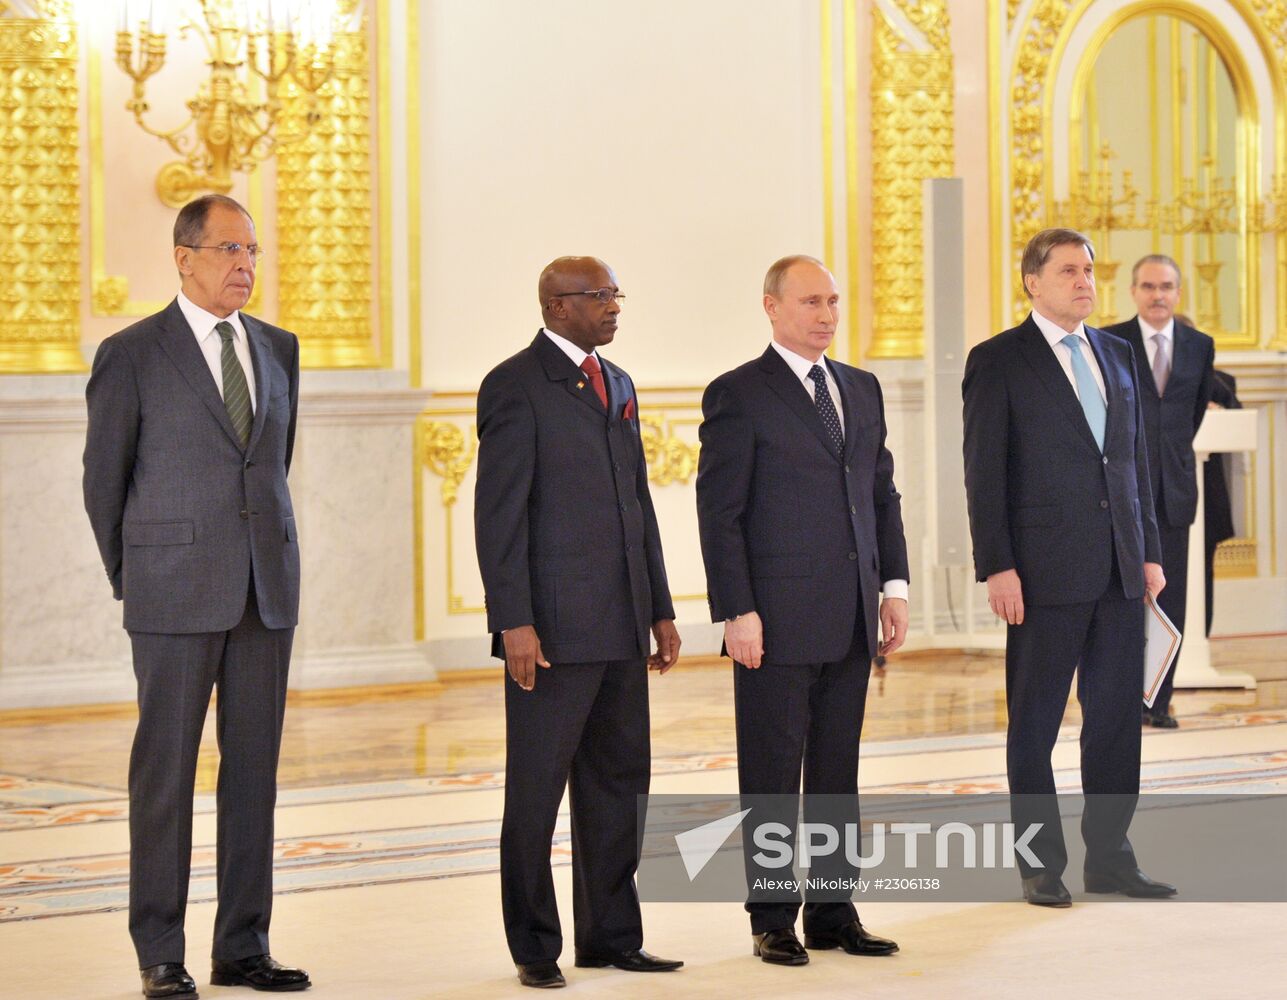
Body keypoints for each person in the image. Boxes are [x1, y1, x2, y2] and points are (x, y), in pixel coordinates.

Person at [83, 195, 309, 997]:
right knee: (166, 775)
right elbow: (102, 483)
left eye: (251, 250)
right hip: (171, 593)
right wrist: (135, 576)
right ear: (183, 257)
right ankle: (161, 952)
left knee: (253, 774)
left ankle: (243, 945)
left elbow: (272, 468)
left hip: (264, 593)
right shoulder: (133, 353)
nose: (244, 264)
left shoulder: (278, 348)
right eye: (226, 250)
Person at [473, 256, 683, 990]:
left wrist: (659, 606)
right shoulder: (514, 385)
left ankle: (611, 935)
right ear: (557, 306)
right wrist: (513, 624)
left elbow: (638, 506)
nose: (614, 306)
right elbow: (497, 518)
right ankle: (534, 945)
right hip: (553, 634)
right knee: (535, 792)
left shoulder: (616, 383)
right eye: (599, 296)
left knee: (620, 786)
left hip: (622, 624)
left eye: (615, 294)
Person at [695, 255, 908, 966]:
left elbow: (881, 496)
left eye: (834, 301)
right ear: (771, 306)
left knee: (834, 771)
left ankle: (832, 909)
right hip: (773, 618)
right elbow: (719, 515)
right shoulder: (738, 394)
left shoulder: (860, 387)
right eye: (811, 301)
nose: (825, 314)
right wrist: (736, 611)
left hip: (851, 615)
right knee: (771, 769)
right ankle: (771, 916)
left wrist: (895, 588)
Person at [962, 227, 1176, 907]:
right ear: (1032, 281)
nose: (1084, 282)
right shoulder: (998, 359)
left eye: (1088, 271)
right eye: (1067, 272)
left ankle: (1110, 859)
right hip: (1041, 573)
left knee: (1114, 724)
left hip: (1117, 570)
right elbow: (983, 473)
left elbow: (1130, 462)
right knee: (1035, 725)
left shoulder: (1114, 352)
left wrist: (1146, 551)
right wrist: (997, 566)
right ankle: (1039, 864)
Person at [1104, 257, 1214, 727]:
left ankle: (1159, 701)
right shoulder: (1109, 341)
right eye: (1148, 286)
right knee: (1123, 599)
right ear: (1133, 291)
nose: (1158, 295)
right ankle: (1121, 702)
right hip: (1120, 490)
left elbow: (1192, 417)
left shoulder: (1199, 346)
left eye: (1167, 286)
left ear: (1179, 291)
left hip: (1174, 491)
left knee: (1171, 600)